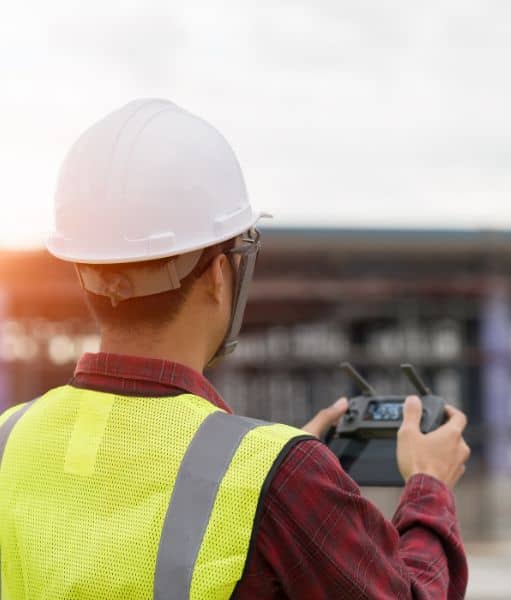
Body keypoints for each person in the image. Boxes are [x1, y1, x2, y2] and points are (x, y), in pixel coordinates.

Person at [0, 99, 471, 599]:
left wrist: (275, 463)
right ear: (222, 275)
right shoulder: (281, 478)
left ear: (84, 269)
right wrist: (428, 484)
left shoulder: (10, 440)